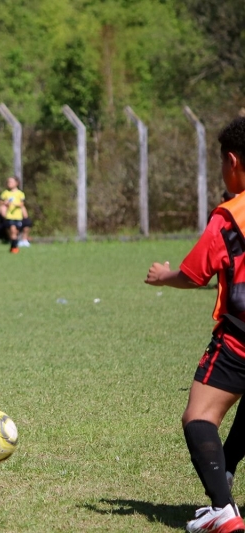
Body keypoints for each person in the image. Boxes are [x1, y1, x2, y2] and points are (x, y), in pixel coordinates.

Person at [145, 116, 245, 533]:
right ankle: (228, 467)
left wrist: (162, 276)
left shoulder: (230, 217)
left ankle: (222, 510)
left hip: (240, 339)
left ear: (233, 161)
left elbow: (194, 274)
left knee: (199, 415)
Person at [0, 176, 31, 253]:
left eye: (11, 182)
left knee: (15, 232)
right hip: (9, 216)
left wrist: (15, 204)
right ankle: (14, 248)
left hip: (18, 217)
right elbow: (0, 202)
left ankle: (13, 246)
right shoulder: (5, 193)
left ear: (17, 183)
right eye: (8, 182)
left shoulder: (20, 194)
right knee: (12, 231)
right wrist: (5, 203)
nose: (9, 183)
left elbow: (22, 204)